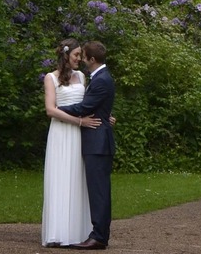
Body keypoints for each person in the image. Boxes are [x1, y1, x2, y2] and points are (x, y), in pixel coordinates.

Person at [42, 39, 101, 249]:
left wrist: (104, 115)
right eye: (76, 55)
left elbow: (86, 105)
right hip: (60, 133)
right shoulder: (51, 78)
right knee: (60, 178)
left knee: (77, 178)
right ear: (66, 55)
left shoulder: (82, 77)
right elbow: (51, 110)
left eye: (80, 55)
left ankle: (77, 231)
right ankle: (58, 232)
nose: (79, 59)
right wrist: (79, 121)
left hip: (78, 135)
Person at [61, 40, 116, 251]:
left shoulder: (101, 80)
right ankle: (99, 234)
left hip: (97, 142)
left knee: (99, 191)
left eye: (84, 57)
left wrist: (58, 108)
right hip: (97, 140)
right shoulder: (101, 77)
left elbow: (85, 106)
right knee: (98, 190)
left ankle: (99, 236)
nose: (82, 60)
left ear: (92, 59)